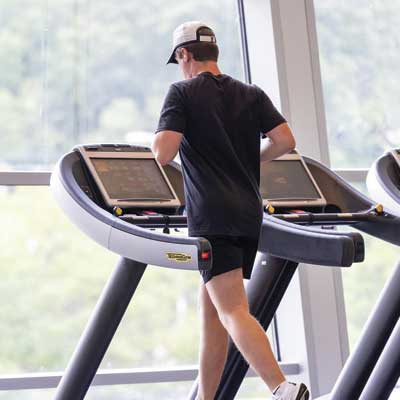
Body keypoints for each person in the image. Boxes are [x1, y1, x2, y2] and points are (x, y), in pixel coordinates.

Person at [152, 21, 310, 400]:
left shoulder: (183, 92)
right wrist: (253, 160)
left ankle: (281, 387)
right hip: (246, 212)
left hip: (212, 216)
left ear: (184, 55)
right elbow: (285, 140)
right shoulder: (250, 93)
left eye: (180, 61)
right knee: (214, 314)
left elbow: (163, 152)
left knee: (233, 311)